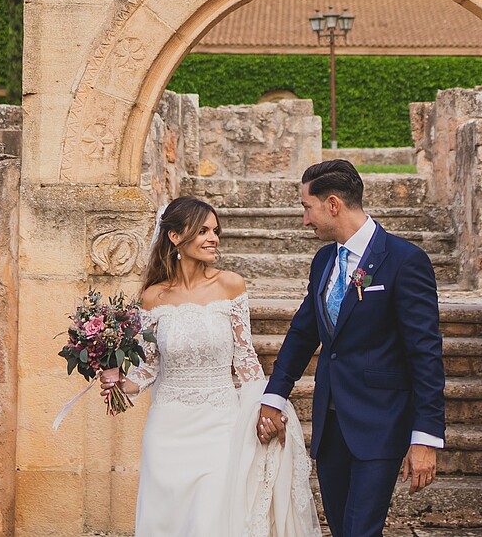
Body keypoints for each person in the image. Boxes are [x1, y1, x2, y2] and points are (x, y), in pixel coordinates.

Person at [104, 195, 321, 537]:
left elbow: (246, 359)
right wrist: (118, 384)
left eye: (215, 230)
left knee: (210, 519)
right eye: (203, 230)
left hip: (220, 423)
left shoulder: (230, 285)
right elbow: (148, 368)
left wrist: (265, 407)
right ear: (175, 236)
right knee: (167, 521)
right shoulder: (151, 297)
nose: (213, 238)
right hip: (167, 428)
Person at [256, 160, 446, 537]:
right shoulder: (325, 260)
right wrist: (274, 394)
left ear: (332, 204)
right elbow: (303, 332)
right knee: (343, 529)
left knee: (361, 530)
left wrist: (425, 436)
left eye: (306, 208)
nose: (305, 220)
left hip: (381, 421)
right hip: (331, 426)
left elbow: (425, 353)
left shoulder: (405, 261)